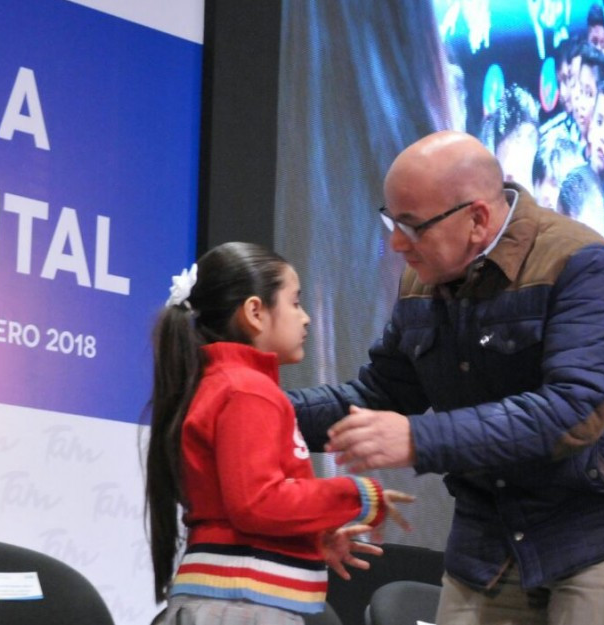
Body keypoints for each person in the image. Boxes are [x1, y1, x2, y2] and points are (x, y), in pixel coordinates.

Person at [289, 131, 604, 625]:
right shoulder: (422, 280)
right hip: (491, 536)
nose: (395, 243)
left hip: (602, 524)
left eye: (411, 226)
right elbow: (378, 395)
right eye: (391, 221)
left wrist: (419, 438)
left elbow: (571, 411)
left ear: (477, 219)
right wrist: (264, 411)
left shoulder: (580, 263)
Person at [145, 242, 413, 624]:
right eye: (295, 302)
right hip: (240, 608)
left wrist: (308, 540)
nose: (305, 319)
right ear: (255, 312)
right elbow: (257, 503)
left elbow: (239, 507)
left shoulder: (227, 385)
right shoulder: (247, 390)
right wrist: (358, 495)